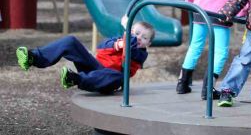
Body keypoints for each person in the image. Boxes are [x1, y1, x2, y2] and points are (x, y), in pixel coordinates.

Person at [16, 21, 155, 94]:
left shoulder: (141, 54)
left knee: (118, 76)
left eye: (144, 38)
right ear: (130, 32)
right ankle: (34, 58)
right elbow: (101, 48)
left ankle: (76, 79)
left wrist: (128, 34)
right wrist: (117, 44)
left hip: (106, 80)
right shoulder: (120, 39)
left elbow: (131, 49)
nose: (138, 38)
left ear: (148, 43)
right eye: (136, 33)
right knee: (70, 41)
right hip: (94, 66)